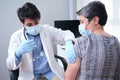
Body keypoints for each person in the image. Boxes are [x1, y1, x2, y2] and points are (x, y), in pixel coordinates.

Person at [6, 2, 75, 80]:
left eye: (36, 22)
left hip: (50, 73)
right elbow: (10, 65)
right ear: (22, 23)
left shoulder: (46, 30)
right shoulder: (16, 37)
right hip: (30, 77)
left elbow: (66, 34)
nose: (34, 26)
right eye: (29, 25)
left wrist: (69, 42)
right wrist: (17, 54)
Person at [64, 1, 120, 80]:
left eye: (82, 22)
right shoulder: (116, 41)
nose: (80, 26)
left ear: (95, 20)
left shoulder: (81, 42)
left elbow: (69, 77)